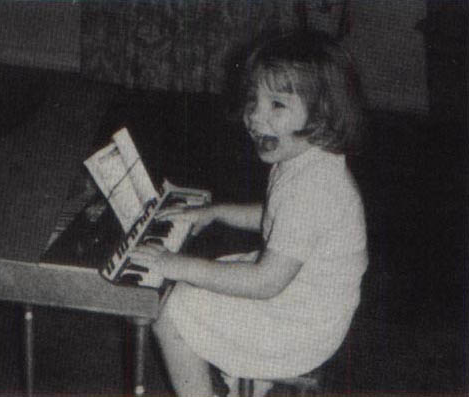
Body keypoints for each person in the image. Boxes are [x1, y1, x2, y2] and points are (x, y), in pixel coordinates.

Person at [129, 29, 368, 397]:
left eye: (277, 105)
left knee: (171, 308)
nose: (255, 116)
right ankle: (247, 375)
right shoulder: (307, 159)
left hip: (301, 325)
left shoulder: (313, 188)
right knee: (213, 272)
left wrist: (173, 264)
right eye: (253, 100)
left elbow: (264, 282)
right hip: (308, 299)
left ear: (322, 114)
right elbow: (275, 216)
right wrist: (216, 212)